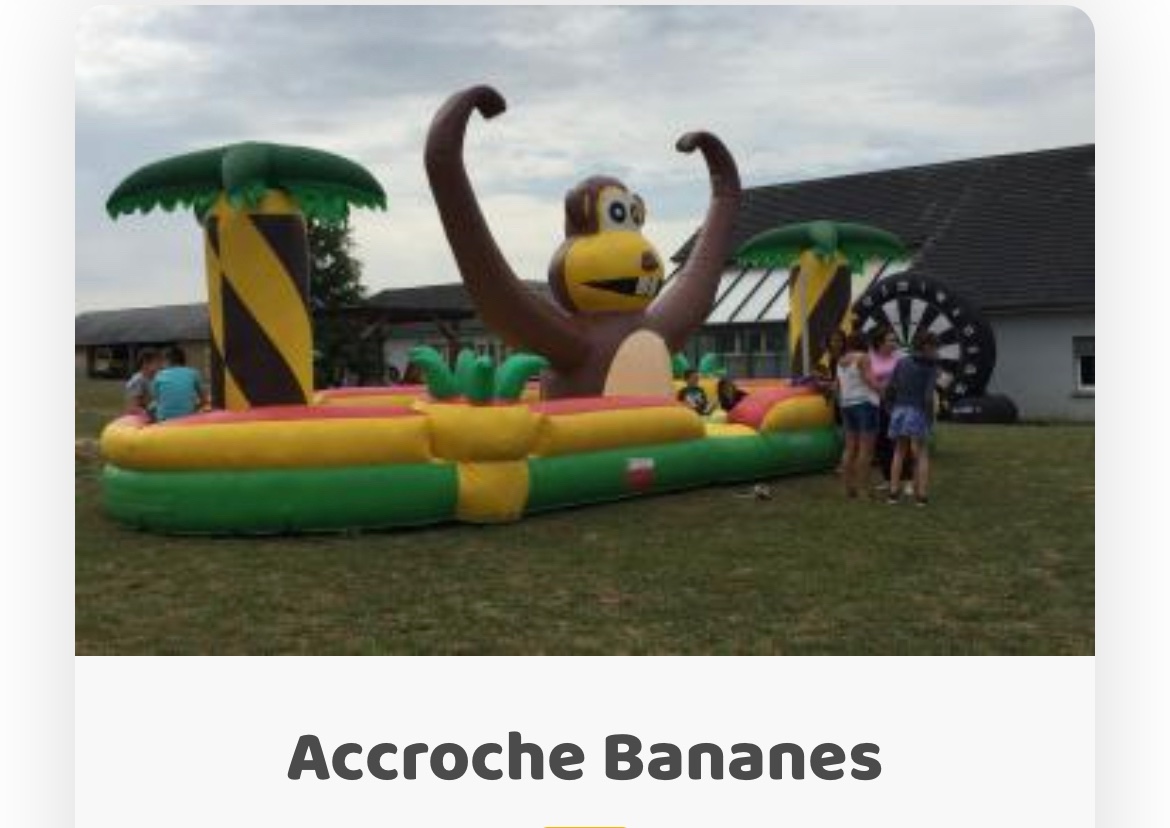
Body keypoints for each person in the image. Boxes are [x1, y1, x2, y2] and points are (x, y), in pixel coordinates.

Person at [885, 332, 940, 506]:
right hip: (918, 411)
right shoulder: (931, 368)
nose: (936, 351)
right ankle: (921, 496)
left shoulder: (901, 362)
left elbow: (890, 387)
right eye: (935, 347)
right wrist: (930, 419)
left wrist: (890, 408)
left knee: (899, 451)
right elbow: (928, 398)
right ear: (927, 347)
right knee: (922, 452)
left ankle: (893, 493)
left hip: (899, 410)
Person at [868, 325, 914, 495]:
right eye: (890, 340)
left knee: (902, 442)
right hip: (878, 404)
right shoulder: (870, 357)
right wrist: (881, 387)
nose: (894, 343)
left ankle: (908, 481)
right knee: (883, 442)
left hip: (899, 404)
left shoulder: (901, 357)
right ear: (880, 342)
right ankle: (888, 479)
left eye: (894, 340)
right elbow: (868, 379)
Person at [835, 332, 880, 498]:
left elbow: (838, 386)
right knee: (866, 449)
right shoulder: (863, 358)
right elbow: (869, 380)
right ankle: (863, 490)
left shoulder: (841, 360)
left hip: (847, 405)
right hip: (865, 404)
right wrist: (884, 389)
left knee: (849, 448)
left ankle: (847, 488)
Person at [151, 345, 208, 422]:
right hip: (188, 417)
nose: (161, 364)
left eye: (162, 361)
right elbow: (204, 399)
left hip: (164, 419)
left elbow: (157, 399)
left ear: (167, 360)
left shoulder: (159, 375)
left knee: (151, 407)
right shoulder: (193, 373)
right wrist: (194, 408)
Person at [124, 348, 163, 417]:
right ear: (145, 363)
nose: (161, 365)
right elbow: (134, 406)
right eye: (157, 362)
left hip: (152, 411)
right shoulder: (138, 380)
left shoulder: (158, 377)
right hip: (140, 416)